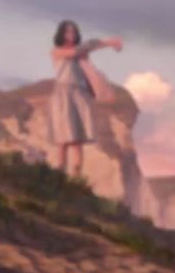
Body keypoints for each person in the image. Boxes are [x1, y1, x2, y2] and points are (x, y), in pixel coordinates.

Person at [49, 19, 122, 177]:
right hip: (64, 94)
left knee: (77, 140)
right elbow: (78, 50)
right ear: (61, 34)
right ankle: (58, 175)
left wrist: (106, 43)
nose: (71, 34)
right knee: (63, 139)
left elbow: (85, 53)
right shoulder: (57, 51)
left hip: (79, 94)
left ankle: (76, 177)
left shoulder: (81, 55)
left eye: (74, 31)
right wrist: (108, 42)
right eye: (68, 31)